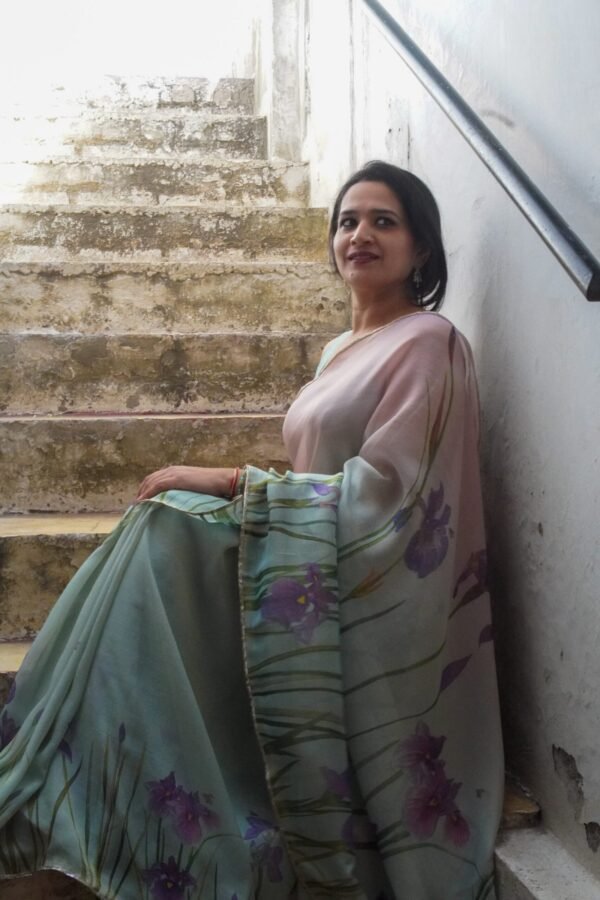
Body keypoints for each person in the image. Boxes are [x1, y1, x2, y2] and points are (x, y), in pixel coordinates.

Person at [0, 160, 504, 899]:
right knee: (155, 530)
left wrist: (233, 481)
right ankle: (70, 778)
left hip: (359, 583)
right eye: (348, 221)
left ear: (421, 247)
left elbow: (391, 499)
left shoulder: (429, 342)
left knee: (166, 530)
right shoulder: (338, 350)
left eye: (384, 221)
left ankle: (84, 786)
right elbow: (317, 477)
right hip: (303, 558)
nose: (360, 234)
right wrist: (250, 497)